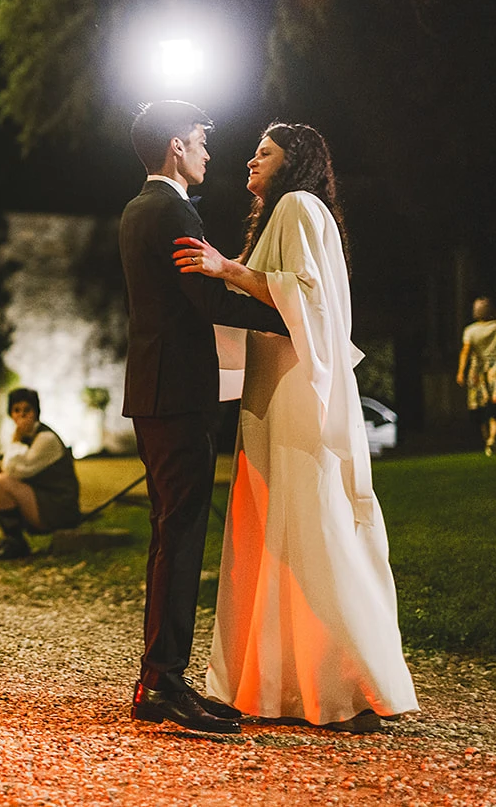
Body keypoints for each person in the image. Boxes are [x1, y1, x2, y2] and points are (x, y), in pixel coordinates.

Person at [174, 122, 420, 733]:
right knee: (272, 534)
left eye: (266, 152)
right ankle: (281, 685)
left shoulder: (299, 206)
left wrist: (224, 268)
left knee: (311, 529)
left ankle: (346, 685)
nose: (251, 160)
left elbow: (306, 300)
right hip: (273, 391)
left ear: (295, 162)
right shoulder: (286, 211)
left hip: (295, 393)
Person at [118, 100, 291, 736]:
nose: (208, 154)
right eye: (198, 142)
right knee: (180, 536)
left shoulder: (139, 209)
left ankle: (159, 677)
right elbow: (208, 297)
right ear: (175, 147)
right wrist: (286, 317)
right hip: (179, 394)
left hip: (153, 390)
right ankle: (163, 682)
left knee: (171, 532)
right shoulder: (173, 210)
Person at [0, 388, 81, 560]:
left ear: (36, 412)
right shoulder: (27, 436)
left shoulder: (45, 439)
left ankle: (16, 543)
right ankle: (12, 539)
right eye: (16, 410)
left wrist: (15, 440)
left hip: (59, 507)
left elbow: (14, 470)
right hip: (41, 499)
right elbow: (13, 466)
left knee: (0, 483)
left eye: (27, 410)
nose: (21, 416)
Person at [457, 296, 496, 456]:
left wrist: (461, 371)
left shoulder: (470, 330)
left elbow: (466, 351)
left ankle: (487, 440)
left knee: (481, 407)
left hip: (478, 371)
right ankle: (492, 439)